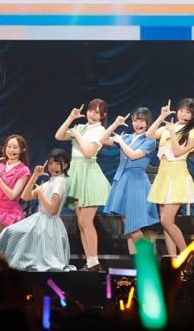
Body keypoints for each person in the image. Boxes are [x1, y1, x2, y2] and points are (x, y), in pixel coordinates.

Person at [54, 99, 117, 272]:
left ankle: (94, 262)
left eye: (97, 112)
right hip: (76, 174)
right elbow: (59, 136)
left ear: (103, 115)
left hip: (89, 174)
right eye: (91, 110)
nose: (92, 114)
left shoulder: (100, 130)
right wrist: (71, 118)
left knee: (86, 221)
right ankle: (90, 262)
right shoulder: (80, 127)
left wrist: (78, 136)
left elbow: (89, 153)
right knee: (81, 223)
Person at [0, 149, 75, 272]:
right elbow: (25, 196)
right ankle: (0, 266)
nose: (53, 167)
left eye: (57, 163)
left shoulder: (60, 182)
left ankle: (1, 267)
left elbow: (53, 210)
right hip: (40, 221)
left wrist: (40, 193)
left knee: (13, 235)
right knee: (10, 233)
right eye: (50, 163)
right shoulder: (49, 183)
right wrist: (35, 176)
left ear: (65, 165)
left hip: (49, 224)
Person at [146, 98, 194, 259]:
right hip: (163, 173)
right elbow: (149, 134)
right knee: (166, 221)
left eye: (188, 112)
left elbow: (177, 152)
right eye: (181, 110)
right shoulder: (169, 126)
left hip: (177, 174)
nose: (183, 114)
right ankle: (173, 259)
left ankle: (187, 256)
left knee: (166, 220)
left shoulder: (192, 133)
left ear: (193, 115)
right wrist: (161, 117)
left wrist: (171, 132)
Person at [102, 107, 160, 254]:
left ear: (148, 122)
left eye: (142, 120)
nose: (138, 124)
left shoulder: (150, 140)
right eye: (135, 120)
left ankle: (146, 257)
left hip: (136, 181)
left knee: (132, 223)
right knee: (128, 223)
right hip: (122, 180)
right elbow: (103, 139)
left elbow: (133, 155)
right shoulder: (127, 137)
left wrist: (120, 141)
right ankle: (134, 260)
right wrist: (115, 124)